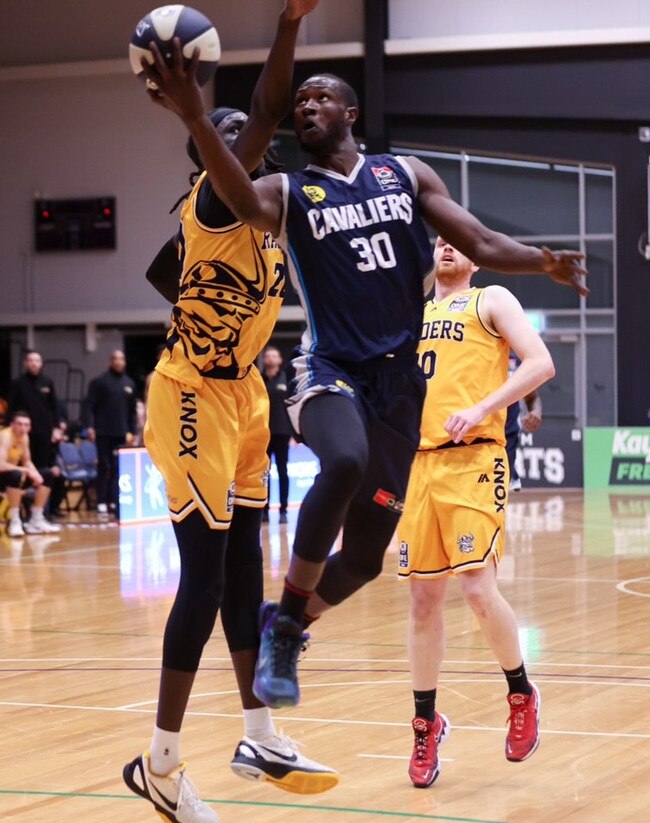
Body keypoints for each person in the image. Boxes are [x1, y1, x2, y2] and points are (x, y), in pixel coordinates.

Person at [141, 49, 587, 712]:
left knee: (365, 560)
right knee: (343, 460)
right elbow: (232, 190)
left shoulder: (403, 175)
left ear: (351, 113)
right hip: (329, 369)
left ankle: (287, 618)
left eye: (321, 97)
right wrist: (196, 114)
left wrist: (540, 260)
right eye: (301, 102)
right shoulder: (288, 192)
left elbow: (482, 240)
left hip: (399, 388)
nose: (308, 105)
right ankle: (286, 627)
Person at [123, 1, 337, 823]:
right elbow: (265, 115)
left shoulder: (269, 219)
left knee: (246, 569)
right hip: (190, 393)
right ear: (212, 154)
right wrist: (285, 28)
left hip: (246, 393)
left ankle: (258, 733)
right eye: (235, 130)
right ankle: (161, 760)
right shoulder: (216, 205)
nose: (260, 133)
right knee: (204, 577)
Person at [397, 237, 554, 787]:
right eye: (439, 240)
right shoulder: (408, 313)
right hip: (417, 465)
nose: (445, 246)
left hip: (474, 458)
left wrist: (485, 406)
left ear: (476, 256)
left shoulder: (490, 299)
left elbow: (541, 363)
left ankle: (521, 693)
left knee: (476, 587)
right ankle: (425, 723)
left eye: (457, 241)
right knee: (422, 600)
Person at [9, 351, 66, 515]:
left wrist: (56, 428)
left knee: (45, 471)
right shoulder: (18, 383)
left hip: (44, 436)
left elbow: (54, 407)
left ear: (41, 363)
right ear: (25, 363)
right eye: (30, 360)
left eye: (37, 360)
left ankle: (43, 510)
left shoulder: (47, 382)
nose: (34, 363)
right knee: (24, 473)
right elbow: (12, 409)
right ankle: (22, 510)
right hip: (24, 436)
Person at [86, 350, 137, 516]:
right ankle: (101, 500)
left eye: (121, 358)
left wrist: (132, 431)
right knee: (104, 466)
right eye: (115, 358)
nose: (118, 361)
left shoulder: (129, 383)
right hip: (103, 432)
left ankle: (114, 501)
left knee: (118, 469)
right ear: (110, 361)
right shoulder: (99, 382)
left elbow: (132, 411)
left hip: (121, 433)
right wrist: (91, 427)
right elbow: (89, 406)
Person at [0, 411, 62, 537]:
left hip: (14, 473)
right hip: (4, 475)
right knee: (15, 475)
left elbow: (27, 461)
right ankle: (15, 521)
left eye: (26, 425)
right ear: (12, 425)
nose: (23, 428)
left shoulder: (24, 437)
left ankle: (36, 518)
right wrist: (27, 471)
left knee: (47, 475)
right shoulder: (5, 436)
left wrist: (34, 473)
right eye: (20, 424)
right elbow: (1, 466)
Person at [261, 345, 292, 524]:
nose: (271, 359)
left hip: (282, 432)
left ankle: (283, 510)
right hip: (262, 433)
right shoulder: (259, 379)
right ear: (265, 360)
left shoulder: (286, 378)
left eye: (275, 356)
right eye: (268, 356)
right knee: (264, 473)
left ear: (280, 360)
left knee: (282, 471)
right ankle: (264, 510)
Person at [506, 352, 543, 492]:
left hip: (507, 436)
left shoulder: (517, 361)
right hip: (479, 437)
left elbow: (532, 397)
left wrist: (535, 411)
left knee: (499, 496)